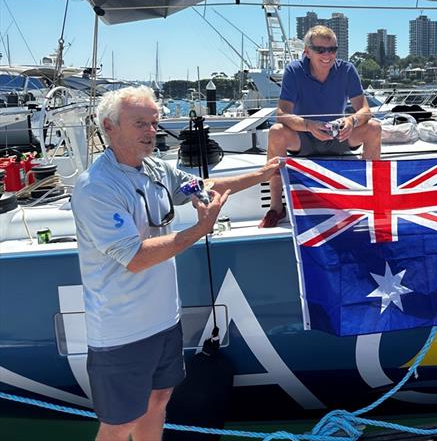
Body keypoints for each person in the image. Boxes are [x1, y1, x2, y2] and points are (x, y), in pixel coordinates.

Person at [72, 85, 281, 441]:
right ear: (109, 127)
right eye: (140, 123)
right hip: (122, 332)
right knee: (120, 423)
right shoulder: (97, 187)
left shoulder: (154, 169)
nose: (151, 131)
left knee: (159, 400)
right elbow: (135, 259)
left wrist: (264, 174)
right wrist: (201, 229)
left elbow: (206, 186)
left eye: (154, 123)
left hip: (164, 322)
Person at [262, 25, 382, 227]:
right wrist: (309, 126)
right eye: (320, 50)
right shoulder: (294, 71)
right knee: (276, 133)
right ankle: (276, 207)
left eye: (332, 49)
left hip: (339, 135)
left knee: (375, 128)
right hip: (305, 138)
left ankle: (369, 196)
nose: (327, 55)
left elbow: (365, 110)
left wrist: (351, 121)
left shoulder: (347, 70)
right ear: (307, 52)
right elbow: (281, 114)